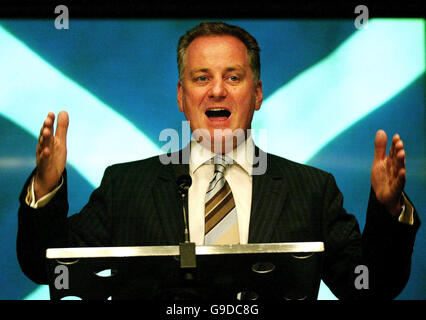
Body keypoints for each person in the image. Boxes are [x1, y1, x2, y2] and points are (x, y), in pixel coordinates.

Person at [17, 22, 420, 299]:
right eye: (201, 77)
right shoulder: (126, 186)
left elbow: (368, 288)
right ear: (181, 96)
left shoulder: (311, 189)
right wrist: (45, 188)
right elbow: (47, 268)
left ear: (257, 94)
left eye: (232, 77)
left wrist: (389, 211)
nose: (216, 91)